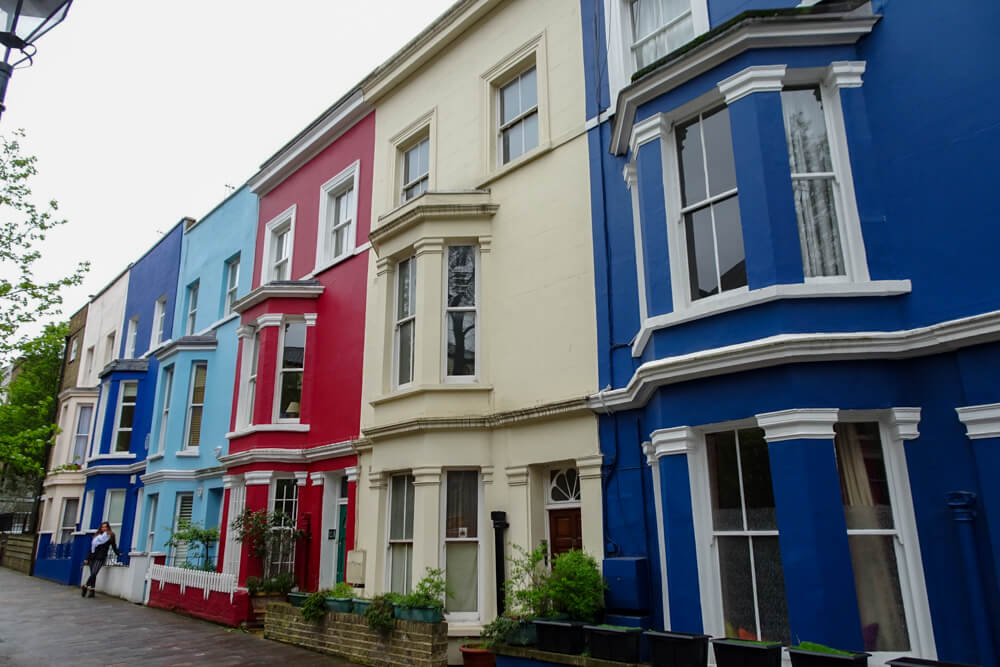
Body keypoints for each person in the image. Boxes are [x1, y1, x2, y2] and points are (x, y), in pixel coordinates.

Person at [82, 521, 120, 598]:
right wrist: (86, 558)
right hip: (92, 556)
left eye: (106, 527)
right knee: (93, 574)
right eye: (103, 527)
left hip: (101, 557)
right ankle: (92, 592)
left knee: (94, 573)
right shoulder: (97, 536)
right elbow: (92, 547)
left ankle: (85, 586)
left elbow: (114, 546)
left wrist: (118, 553)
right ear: (101, 528)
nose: (104, 528)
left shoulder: (110, 536)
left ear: (108, 528)